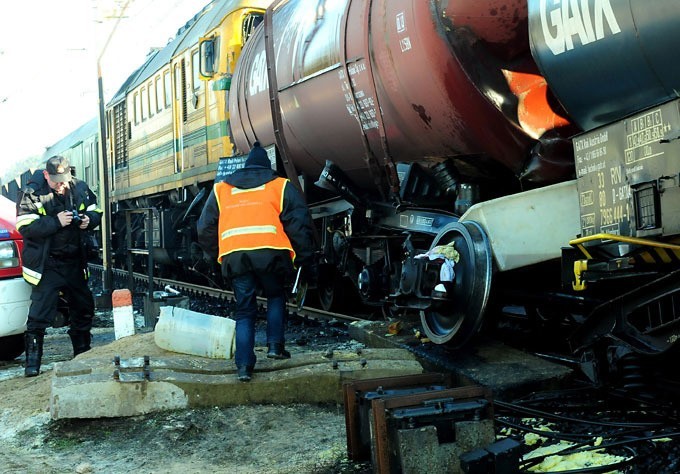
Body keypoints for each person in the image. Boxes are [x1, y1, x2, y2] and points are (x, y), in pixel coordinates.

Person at [197, 142, 316, 382]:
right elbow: (299, 223)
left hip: (236, 256)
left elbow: (204, 227)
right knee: (275, 295)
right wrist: (304, 256)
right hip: (272, 254)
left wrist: (217, 254)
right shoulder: (280, 186)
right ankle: (274, 346)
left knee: (244, 310)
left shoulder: (221, 189)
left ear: (246, 166)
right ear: (268, 166)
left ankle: (243, 366)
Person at [15, 156, 103, 377]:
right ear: (46, 175)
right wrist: (56, 222)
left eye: (64, 180)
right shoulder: (32, 193)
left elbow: (96, 210)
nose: (61, 184)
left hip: (75, 262)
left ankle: (82, 356)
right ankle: (32, 364)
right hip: (48, 265)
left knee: (83, 310)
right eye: (56, 181)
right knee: (39, 315)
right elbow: (25, 226)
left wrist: (88, 220)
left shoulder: (79, 187)